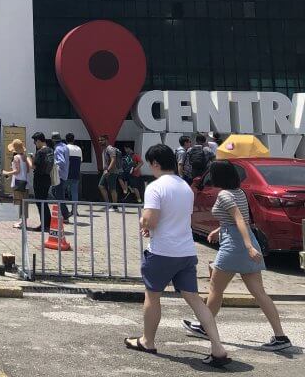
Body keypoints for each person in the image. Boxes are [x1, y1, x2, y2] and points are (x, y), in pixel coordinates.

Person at [125, 144, 229, 367]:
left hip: (162, 251)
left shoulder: (155, 187)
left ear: (155, 163)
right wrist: (153, 225)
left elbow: (150, 220)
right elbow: (178, 218)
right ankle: (217, 347)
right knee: (194, 299)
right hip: (186, 251)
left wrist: (144, 222)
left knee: (152, 296)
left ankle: (148, 341)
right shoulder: (185, 187)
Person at [182, 162, 291, 352]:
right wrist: (219, 230)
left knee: (216, 288)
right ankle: (281, 337)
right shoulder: (239, 192)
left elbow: (239, 219)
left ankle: (205, 326)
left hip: (234, 246)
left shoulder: (224, 195)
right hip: (242, 242)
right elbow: (240, 219)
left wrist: (247, 246)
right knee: (259, 292)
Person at [3, 139, 30, 229]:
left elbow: (17, 171)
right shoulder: (25, 157)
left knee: (19, 203)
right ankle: (24, 222)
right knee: (25, 203)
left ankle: (21, 222)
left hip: (18, 182)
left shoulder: (16, 158)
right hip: (25, 182)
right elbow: (28, 170)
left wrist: (7, 172)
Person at [31, 133, 54, 230]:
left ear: (38, 141)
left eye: (35, 142)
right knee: (44, 202)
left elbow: (34, 166)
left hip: (39, 179)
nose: (35, 144)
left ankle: (44, 225)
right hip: (47, 178)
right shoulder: (50, 150)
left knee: (40, 202)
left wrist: (30, 158)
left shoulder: (41, 152)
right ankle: (48, 223)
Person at [50, 132, 70, 222]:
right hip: (64, 174)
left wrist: (52, 163)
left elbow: (61, 161)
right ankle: (64, 212)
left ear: (53, 140)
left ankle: (65, 215)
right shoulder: (65, 146)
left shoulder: (58, 149)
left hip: (59, 175)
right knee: (57, 193)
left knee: (57, 194)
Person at [98, 134, 121, 206]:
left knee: (112, 189)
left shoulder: (110, 149)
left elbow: (113, 160)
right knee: (101, 186)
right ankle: (108, 204)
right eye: (99, 140)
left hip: (112, 172)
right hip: (106, 172)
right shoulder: (105, 150)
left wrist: (108, 170)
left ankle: (114, 206)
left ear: (107, 140)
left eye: (102, 140)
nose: (100, 141)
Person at [64, 133, 83, 204]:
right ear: (73, 140)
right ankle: (74, 210)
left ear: (66, 140)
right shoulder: (79, 149)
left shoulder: (65, 148)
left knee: (61, 191)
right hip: (76, 174)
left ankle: (62, 209)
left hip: (65, 174)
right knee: (74, 192)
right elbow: (80, 162)